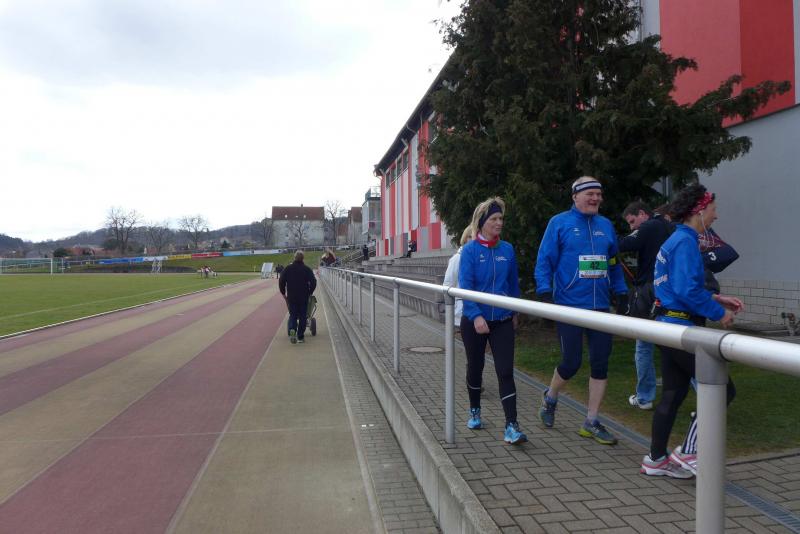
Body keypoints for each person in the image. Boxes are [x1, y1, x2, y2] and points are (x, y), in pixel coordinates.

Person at [641, 183, 743, 478]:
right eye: (713, 210)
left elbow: (680, 286)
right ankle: (689, 451)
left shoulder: (676, 240)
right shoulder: (685, 242)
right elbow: (686, 290)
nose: (716, 216)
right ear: (699, 211)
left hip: (668, 327)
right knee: (723, 390)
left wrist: (716, 298)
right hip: (681, 330)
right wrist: (719, 313)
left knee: (674, 393)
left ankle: (655, 459)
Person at [535, 176, 628, 445]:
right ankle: (550, 397)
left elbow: (613, 262)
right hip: (570, 306)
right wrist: (544, 292)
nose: (596, 198)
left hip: (600, 307)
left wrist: (621, 291)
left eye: (599, 194)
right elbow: (545, 260)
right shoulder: (560, 223)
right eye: (590, 194)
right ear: (575, 196)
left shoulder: (605, 225)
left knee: (601, 363)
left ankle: (591, 421)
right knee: (571, 362)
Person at [459, 197, 526, 445]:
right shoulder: (470, 251)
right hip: (474, 321)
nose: (499, 223)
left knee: (505, 370)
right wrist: (476, 316)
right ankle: (475, 410)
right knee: (475, 368)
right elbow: (465, 287)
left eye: (501, 219)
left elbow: (513, 284)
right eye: (494, 219)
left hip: (502, 320)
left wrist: (515, 311)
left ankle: (511, 425)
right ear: (482, 222)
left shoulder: (507, 249)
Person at [619, 201, 674, 410]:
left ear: (642, 213)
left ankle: (644, 397)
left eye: (632, 221)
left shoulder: (649, 226)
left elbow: (623, 245)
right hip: (670, 290)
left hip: (650, 291)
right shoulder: (670, 227)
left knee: (643, 345)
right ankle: (707, 394)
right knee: (677, 346)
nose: (632, 227)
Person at [279, 250, 317, 344]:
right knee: (303, 316)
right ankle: (300, 337)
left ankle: (292, 329)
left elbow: (281, 281)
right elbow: (313, 282)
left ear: (294, 257)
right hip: (303, 296)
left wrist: (283, 292)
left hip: (292, 296)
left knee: (293, 315)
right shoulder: (307, 269)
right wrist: (310, 292)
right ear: (303, 258)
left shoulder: (288, 268)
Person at [443, 226, 474, 329]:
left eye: (476, 237)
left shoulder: (479, 257)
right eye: (470, 237)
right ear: (465, 238)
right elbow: (448, 284)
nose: (473, 239)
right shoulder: (457, 258)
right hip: (461, 311)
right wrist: (452, 309)